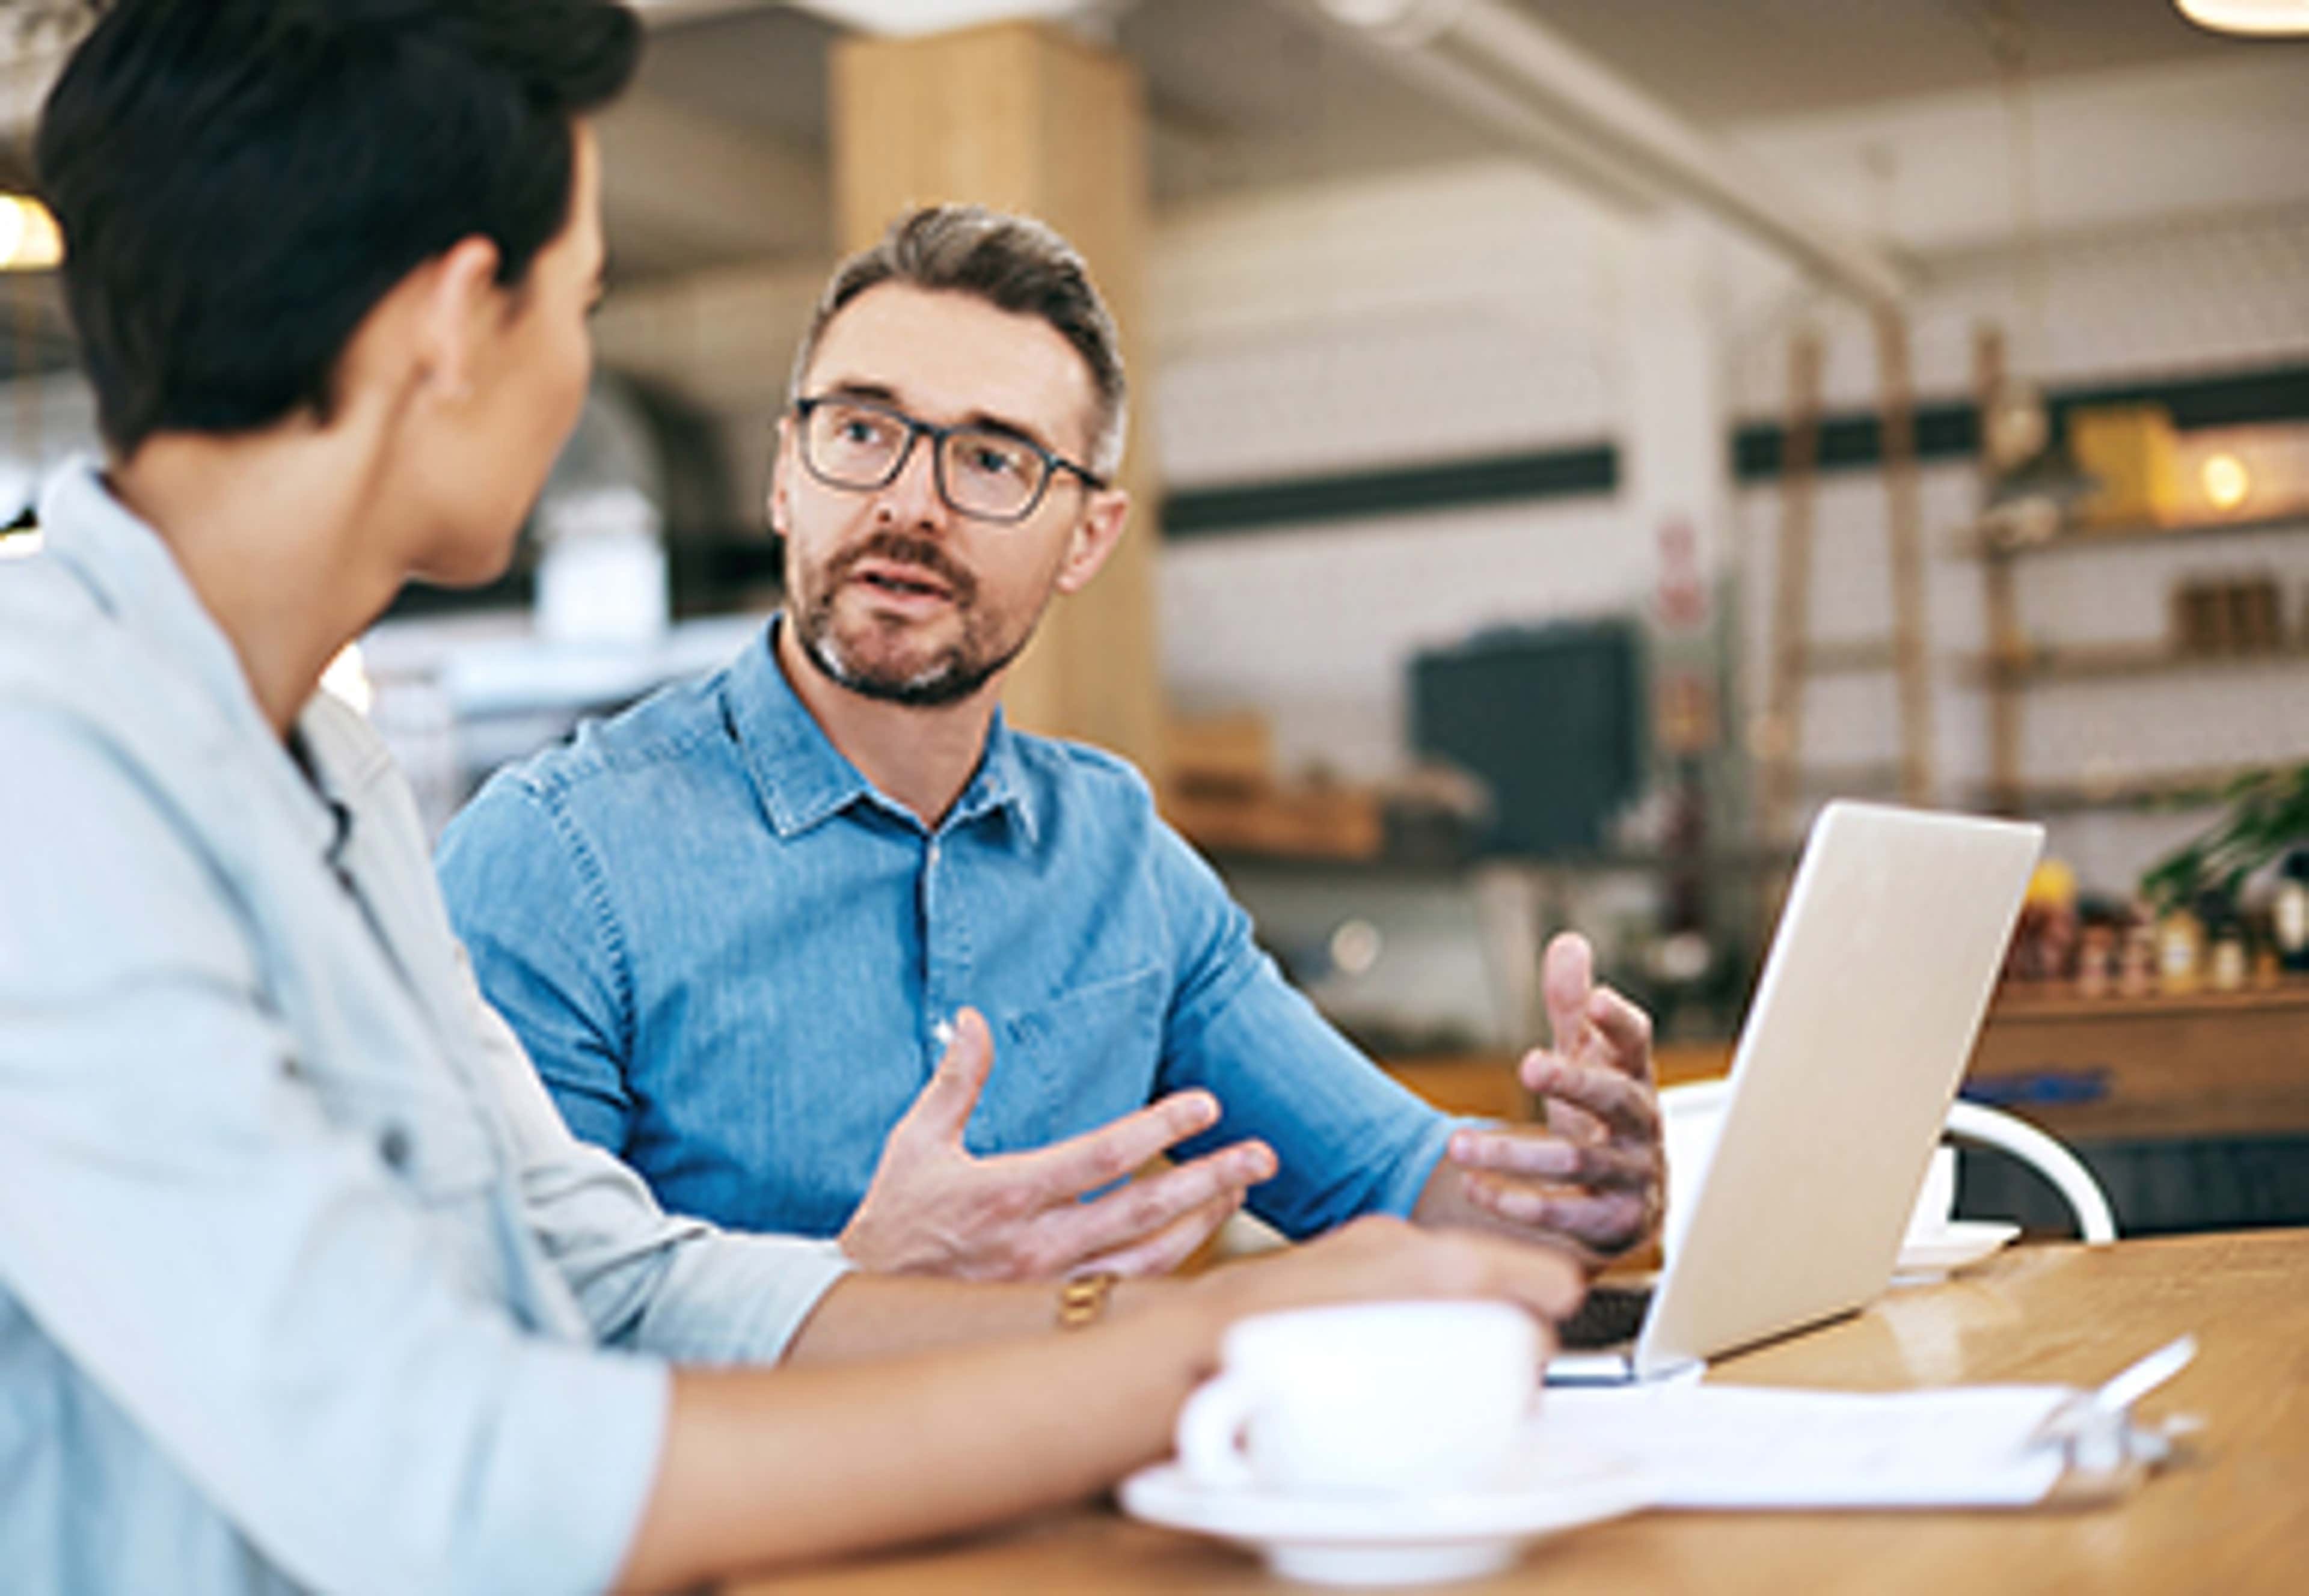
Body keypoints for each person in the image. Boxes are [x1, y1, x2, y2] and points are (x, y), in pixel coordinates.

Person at [0, 5, 1586, 1591]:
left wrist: (1189, 1318)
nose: (575, 377)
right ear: (457, 319)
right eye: (585, 302)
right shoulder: (40, 766)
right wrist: (1204, 1353)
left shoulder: (311, 766)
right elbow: (447, 1471)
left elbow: (619, 1284)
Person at [438, 203, 1666, 1283]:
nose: (908, 502)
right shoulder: (554, 858)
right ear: (783, 476)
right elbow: (486, 1346)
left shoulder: (1120, 858)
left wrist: (1575, 1197)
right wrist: (853, 1281)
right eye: (862, 430)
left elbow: (1399, 1184)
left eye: (991, 458)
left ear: (1087, 537)